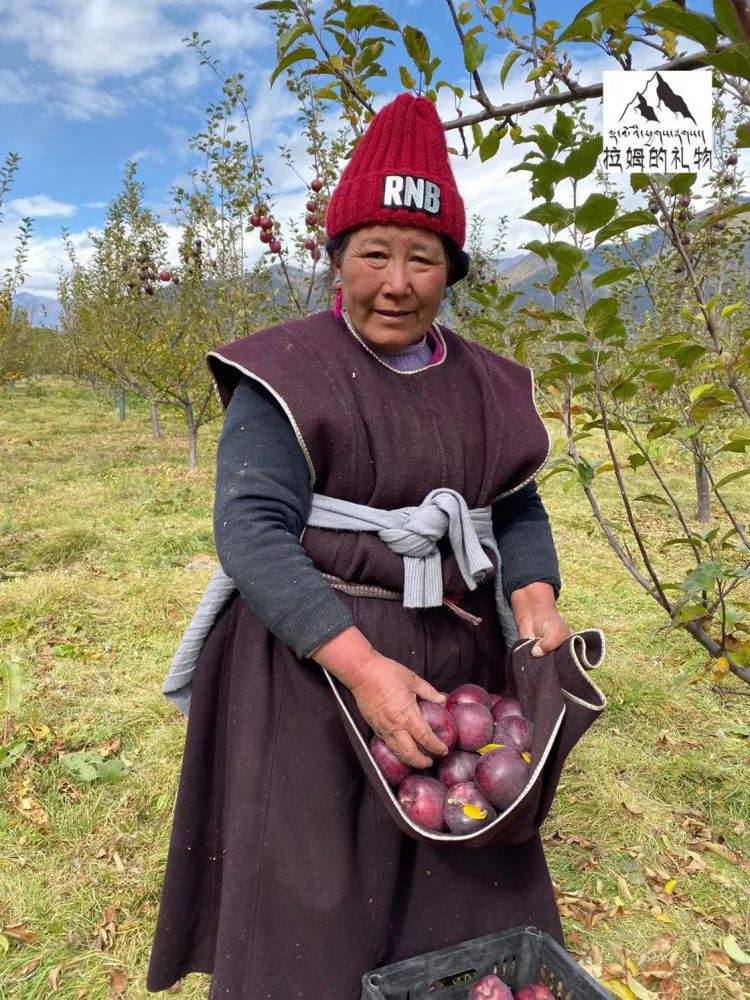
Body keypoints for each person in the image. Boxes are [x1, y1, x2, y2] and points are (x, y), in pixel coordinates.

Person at [147, 94, 571, 1000]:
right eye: (374, 252)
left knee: (459, 854)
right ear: (336, 256)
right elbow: (250, 533)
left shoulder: (490, 386)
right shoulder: (286, 373)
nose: (396, 280)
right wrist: (361, 666)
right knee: (309, 877)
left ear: (450, 271)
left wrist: (534, 596)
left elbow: (517, 506)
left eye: (423, 258)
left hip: (457, 650)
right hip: (311, 660)